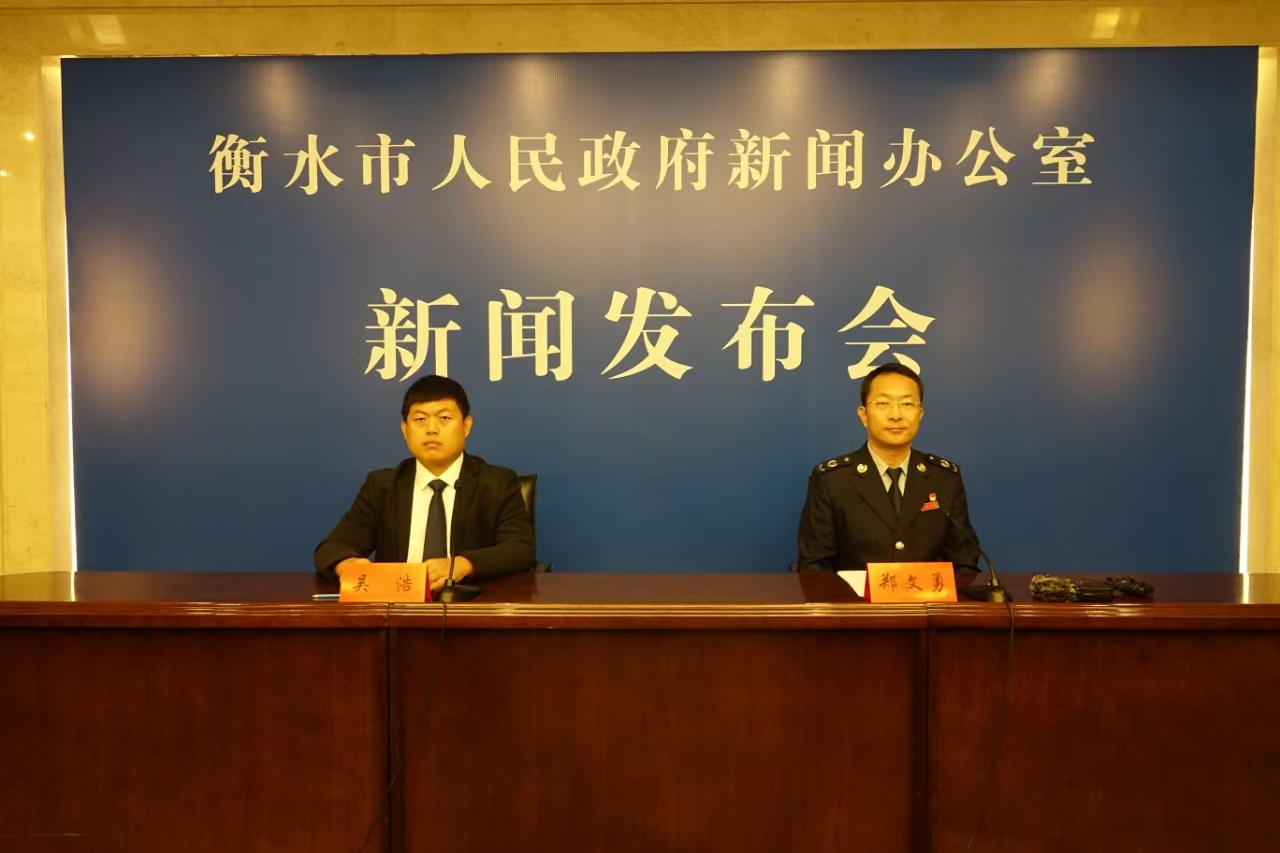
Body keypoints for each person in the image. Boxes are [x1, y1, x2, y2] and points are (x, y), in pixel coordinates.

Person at [314, 375, 535, 591]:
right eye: (420, 419)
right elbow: (333, 547)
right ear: (404, 429)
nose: (431, 429)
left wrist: (462, 564)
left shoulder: (497, 482)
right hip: (397, 606)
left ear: (466, 425)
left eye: (444, 418)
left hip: (469, 605)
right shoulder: (383, 486)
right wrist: (350, 565)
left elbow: (520, 549)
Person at [796, 362, 982, 576]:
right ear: (864, 415)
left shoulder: (944, 479)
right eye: (883, 403)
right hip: (853, 598)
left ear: (920, 414)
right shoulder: (832, 481)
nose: (896, 415)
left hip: (926, 598)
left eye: (907, 404)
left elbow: (965, 563)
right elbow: (814, 568)